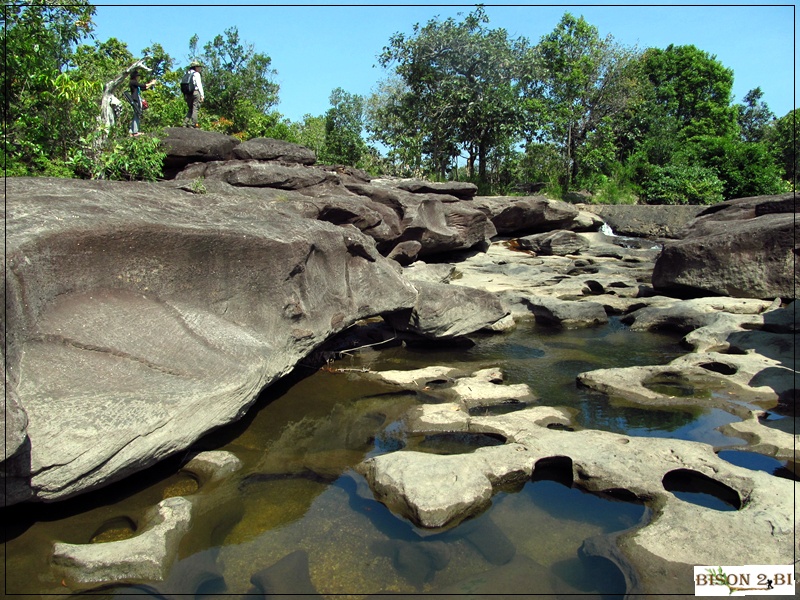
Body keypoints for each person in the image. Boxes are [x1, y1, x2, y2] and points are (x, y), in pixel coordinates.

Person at [128, 69, 157, 136]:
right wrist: (152, 83)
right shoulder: (133, 82)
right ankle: (135, 132)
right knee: (137, 114)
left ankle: (132, 131)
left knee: (136, 114)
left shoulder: (135, 83)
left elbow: (144, 88)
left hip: (137, 99)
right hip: (136, 100)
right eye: (137, 76)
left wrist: (151, 84)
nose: (138, 78)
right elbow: (143, 86)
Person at [182, 61, 205, 128]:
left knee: (190, 109)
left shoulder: (187, 74)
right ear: (195, 67)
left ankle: (185, 123)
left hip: (188, 94)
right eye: (199, 67)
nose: (200, 68)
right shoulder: (196, 74)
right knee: (195, 108)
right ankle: (193, 124)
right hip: (195, 92)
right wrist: (202, 95)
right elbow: (199, 85)